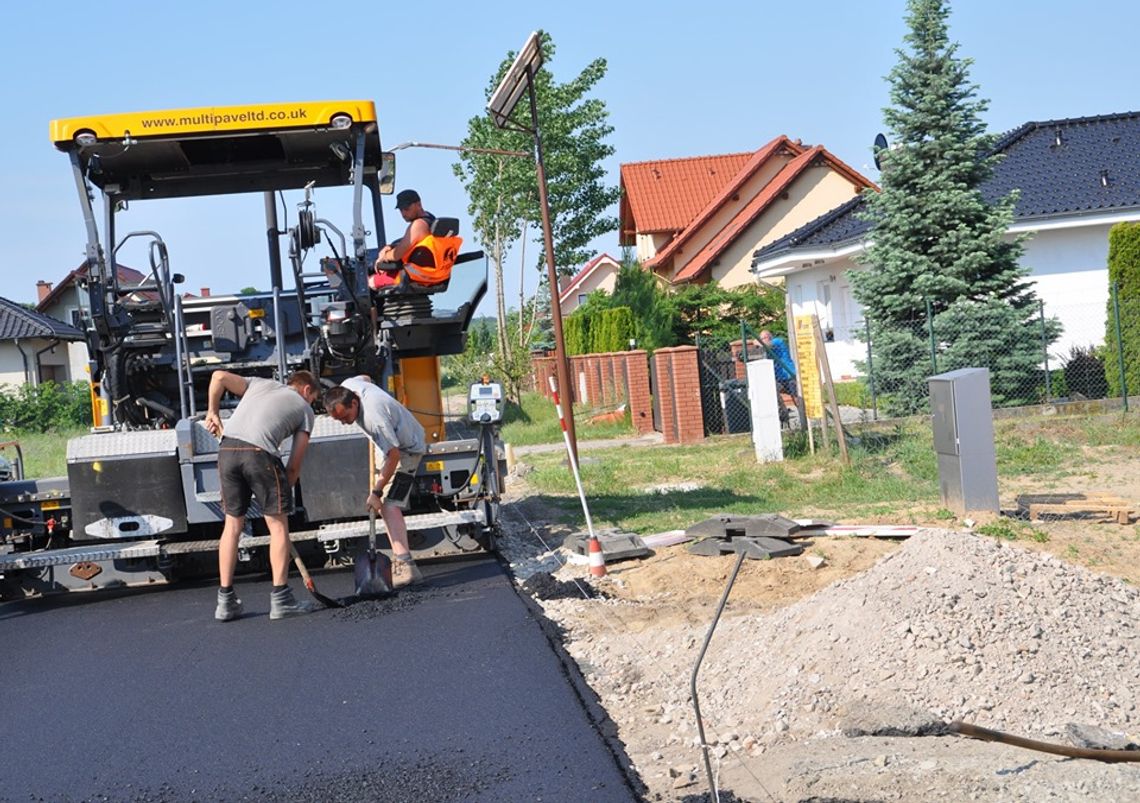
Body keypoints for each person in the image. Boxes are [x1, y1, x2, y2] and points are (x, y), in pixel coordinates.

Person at [205, 370, 321, 621]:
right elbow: (294, 466)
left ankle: (225, 602)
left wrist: (212, 412)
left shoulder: (259, 384)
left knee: (232, 526)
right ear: (307, 391)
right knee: (278, 527)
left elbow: (218, 377)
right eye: (313, 398)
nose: (311, 403)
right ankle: (281, 600)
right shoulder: (305, 409)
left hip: (227, 449)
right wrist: (281, 495)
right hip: (260, 454)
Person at [323, 377, 427, 589]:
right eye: (339, 420)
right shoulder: (349, 386)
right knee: (384, 505)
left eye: (346, 417)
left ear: (355, 403)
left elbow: (394, 456)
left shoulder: (374, 419)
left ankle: (407, 567)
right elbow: (365, 378)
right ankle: (402, 561)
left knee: (388, 505)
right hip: (389, 446)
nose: (344, 422)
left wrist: (376, 492)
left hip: (408, 450)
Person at [369, 189, 460, 290]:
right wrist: (390, 246)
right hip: (430, 275)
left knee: (370, 282)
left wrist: (383, 257)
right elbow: (408, 242)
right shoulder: (430, 220)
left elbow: (397, 254)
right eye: (401, 210)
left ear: (419, 204)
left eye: (407, 209)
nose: (403, 213)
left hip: (413, 277)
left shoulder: (418, 225)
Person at [760, 329, 798, 398]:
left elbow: (767, 344)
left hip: (789, 375)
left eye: (764, 338)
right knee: (774, 393)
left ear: (770, 336)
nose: (763, 340)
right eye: (761, 339)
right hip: (779, 378)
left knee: (796, 397)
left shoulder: (777, 341)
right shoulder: (767, 350)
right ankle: (783, 408)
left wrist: (757, 342)